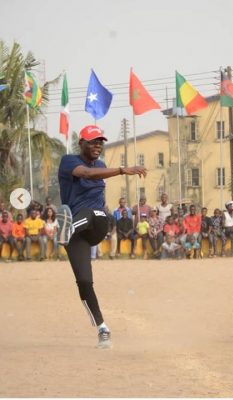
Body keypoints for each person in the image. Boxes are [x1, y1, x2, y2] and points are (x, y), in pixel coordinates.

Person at [57, 125, 147, 348]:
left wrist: (118, 171)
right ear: (82, 143)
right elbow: (85, 173)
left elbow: (95, 179)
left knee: (93, 212)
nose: (98, 145)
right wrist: (123, 170)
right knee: (85, 282)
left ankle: (68, 228)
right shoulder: (68, 161)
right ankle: (102, 328)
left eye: (101, 142)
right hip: (76, 233)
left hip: (97, 223)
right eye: (93, 141)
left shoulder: (101, 165)